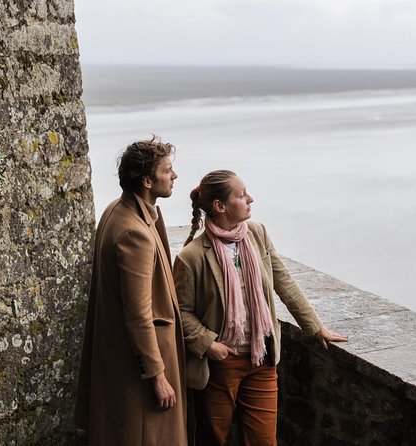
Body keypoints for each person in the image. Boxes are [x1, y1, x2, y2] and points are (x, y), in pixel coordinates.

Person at [173, 170, 348, 446]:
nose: (250, 199)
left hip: (262, 356)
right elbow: (180, 312)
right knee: (211, 439)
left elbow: (284, 282)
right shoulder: (191, 257)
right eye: (241, 196)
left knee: (264, 441)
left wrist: (316, 328)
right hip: (221, 363)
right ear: (220, 206)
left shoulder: (257, 233)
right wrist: (209, 345)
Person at [74, 136, 186, 445]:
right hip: (140, 367)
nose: (174, 176)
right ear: (148, 181)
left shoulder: (120, 210)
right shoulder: (134, 233)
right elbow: (138, 313)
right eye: (168, 170)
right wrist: (157, 375)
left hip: (124, 357)